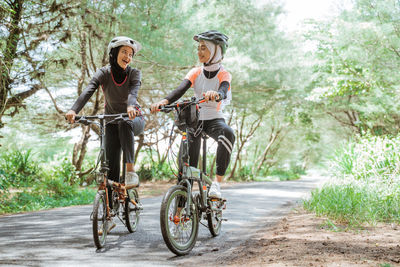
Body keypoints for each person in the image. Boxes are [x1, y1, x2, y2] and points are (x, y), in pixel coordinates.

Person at [65, 36, 145, 233]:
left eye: (130, 53)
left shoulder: (134, 73)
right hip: (111, 121)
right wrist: (74, 110)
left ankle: (131, 171)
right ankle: (109, 216)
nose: (128, 56)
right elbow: (88, 91)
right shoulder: (104, 73)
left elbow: (133, 93)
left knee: (125, 122)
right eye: (124, 52)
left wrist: (130, 106)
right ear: (114, 53)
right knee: (109, 169)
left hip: (133, 118)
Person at [150, 30, 235, 199]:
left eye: (204, 48)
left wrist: (217, 94)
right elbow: (180, 90)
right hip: (195, 120)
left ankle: (217, 183)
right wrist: (164, 102)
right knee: (186, 167)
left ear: (216, 51)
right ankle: (180, 210)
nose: (199, 52)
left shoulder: (224, 74)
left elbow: (224, 90)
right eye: (198, 48)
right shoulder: (195, 71)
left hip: (214, 120)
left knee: (228, 133)